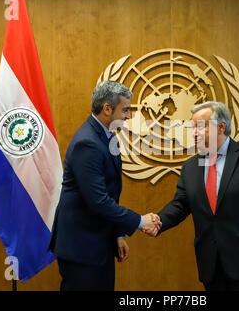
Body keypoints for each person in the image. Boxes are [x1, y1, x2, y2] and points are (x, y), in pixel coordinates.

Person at [144, 101, 239, 291]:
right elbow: (181, 205)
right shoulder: (191, 167)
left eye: (200, 127)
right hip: (212, 267)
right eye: (193, 128)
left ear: (221, 127)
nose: (194, 133)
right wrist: (159, 220)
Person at [48, 81, 161, 291]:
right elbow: (98, 201)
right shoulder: (87, 143)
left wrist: (118, 234)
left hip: (98, 243)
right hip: (81, 247)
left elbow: (111, 192)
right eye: (125, 110)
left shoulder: (108, 137)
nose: (129, 116)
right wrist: (140, 221)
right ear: (107, 109)